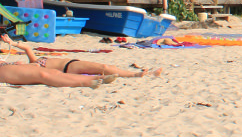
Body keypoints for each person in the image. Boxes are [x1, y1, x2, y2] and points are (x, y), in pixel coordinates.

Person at [1, 36, 158, 84]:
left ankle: (136, 74)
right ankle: (98, 79)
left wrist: (12, 43)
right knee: (101, 69)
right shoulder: (32, 68)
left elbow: (27, 48)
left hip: (69, 64)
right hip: (65, 70)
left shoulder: (33, 61)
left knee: (104, 66)